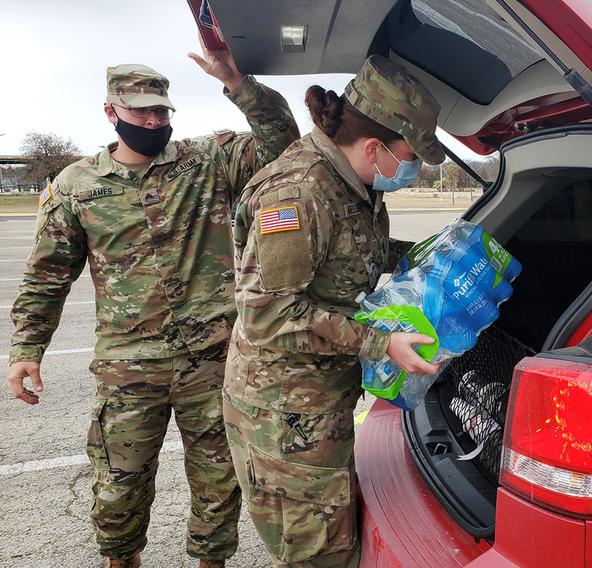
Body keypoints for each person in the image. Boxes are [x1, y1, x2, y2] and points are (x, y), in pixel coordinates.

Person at [6, 42, 300, 568]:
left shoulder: (207, 160)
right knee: (118, 484)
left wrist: (237, 82)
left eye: (161, 110)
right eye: (139, 109)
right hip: (128, 365)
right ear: (111, 112)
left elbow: (281, 142)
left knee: (219, 480)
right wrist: (28, 348)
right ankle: (122, 560)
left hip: (211, 360)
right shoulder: (76, 187)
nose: (151, 118)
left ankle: (213, 561)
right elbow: (48, 274)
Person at [223, 55, 443, 567]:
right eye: (410, 156)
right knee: (321, 557)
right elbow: (268, 315)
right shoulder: (299, 194)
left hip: (317, 399)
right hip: (284, 412)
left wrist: (419, 255)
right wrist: (378, 342)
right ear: (374, 147)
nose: (411, 170)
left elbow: (349, 252)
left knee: (338, 536)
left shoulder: (352, 180)